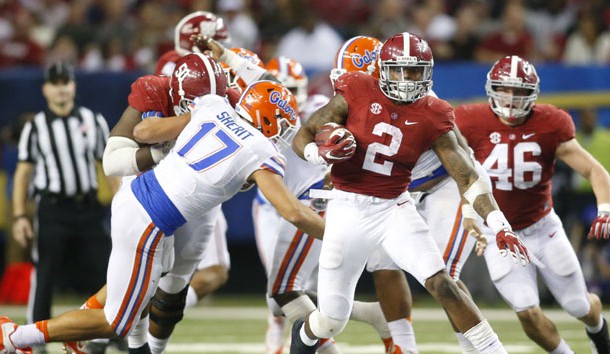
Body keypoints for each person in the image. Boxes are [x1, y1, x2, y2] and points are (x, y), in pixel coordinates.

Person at [0, 54, 326, 354]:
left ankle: (81, 320)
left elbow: (148, 130)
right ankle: (15, 336)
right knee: (119, 322)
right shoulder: (262, 151)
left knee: (146, 290)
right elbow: (293, 212)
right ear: (268, 121)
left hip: (139, 196)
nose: (284, 131)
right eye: (281, 122)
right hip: (150, 219)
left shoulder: (213, 106)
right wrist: (334, 232)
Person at [290, 32, 530, 354]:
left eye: (415, 71)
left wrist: (499, 223)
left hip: (394, 207)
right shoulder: (357, 89)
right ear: (381, 69)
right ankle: (303, 335)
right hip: (348, 208)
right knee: (332, 319)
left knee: (442, 283)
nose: (406, 79)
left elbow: (465, 173)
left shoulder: (433, 110)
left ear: (428, 72)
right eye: (399, 70)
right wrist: (318, 156)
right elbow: (304, 134)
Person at [454, 55, 610, 354]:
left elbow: (593, 169)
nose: (511, 99)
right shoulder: (469, 121)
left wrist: (605, 209)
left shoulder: (550, 122)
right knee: (526, 312)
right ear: (491, 89)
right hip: (497, 233)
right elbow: (456, 171)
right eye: (505, 90)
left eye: (519, 91)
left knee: (579, 306)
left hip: (542, 228)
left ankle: (598, 330)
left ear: (533, 94)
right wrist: (466, 211)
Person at [11, 62, 118, 353]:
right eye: (55, 83)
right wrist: (20, 215)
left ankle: (112, 331)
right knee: (44, 274)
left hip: (88, 208)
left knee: (110, 272)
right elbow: (23, 174)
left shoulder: (92, 120)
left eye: (65, 82)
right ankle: (34, 338)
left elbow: (108, 165)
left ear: (73, 85)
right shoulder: (36, 126)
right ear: (46, 89)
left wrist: (121, 204)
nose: (60, 87)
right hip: (53, 209)